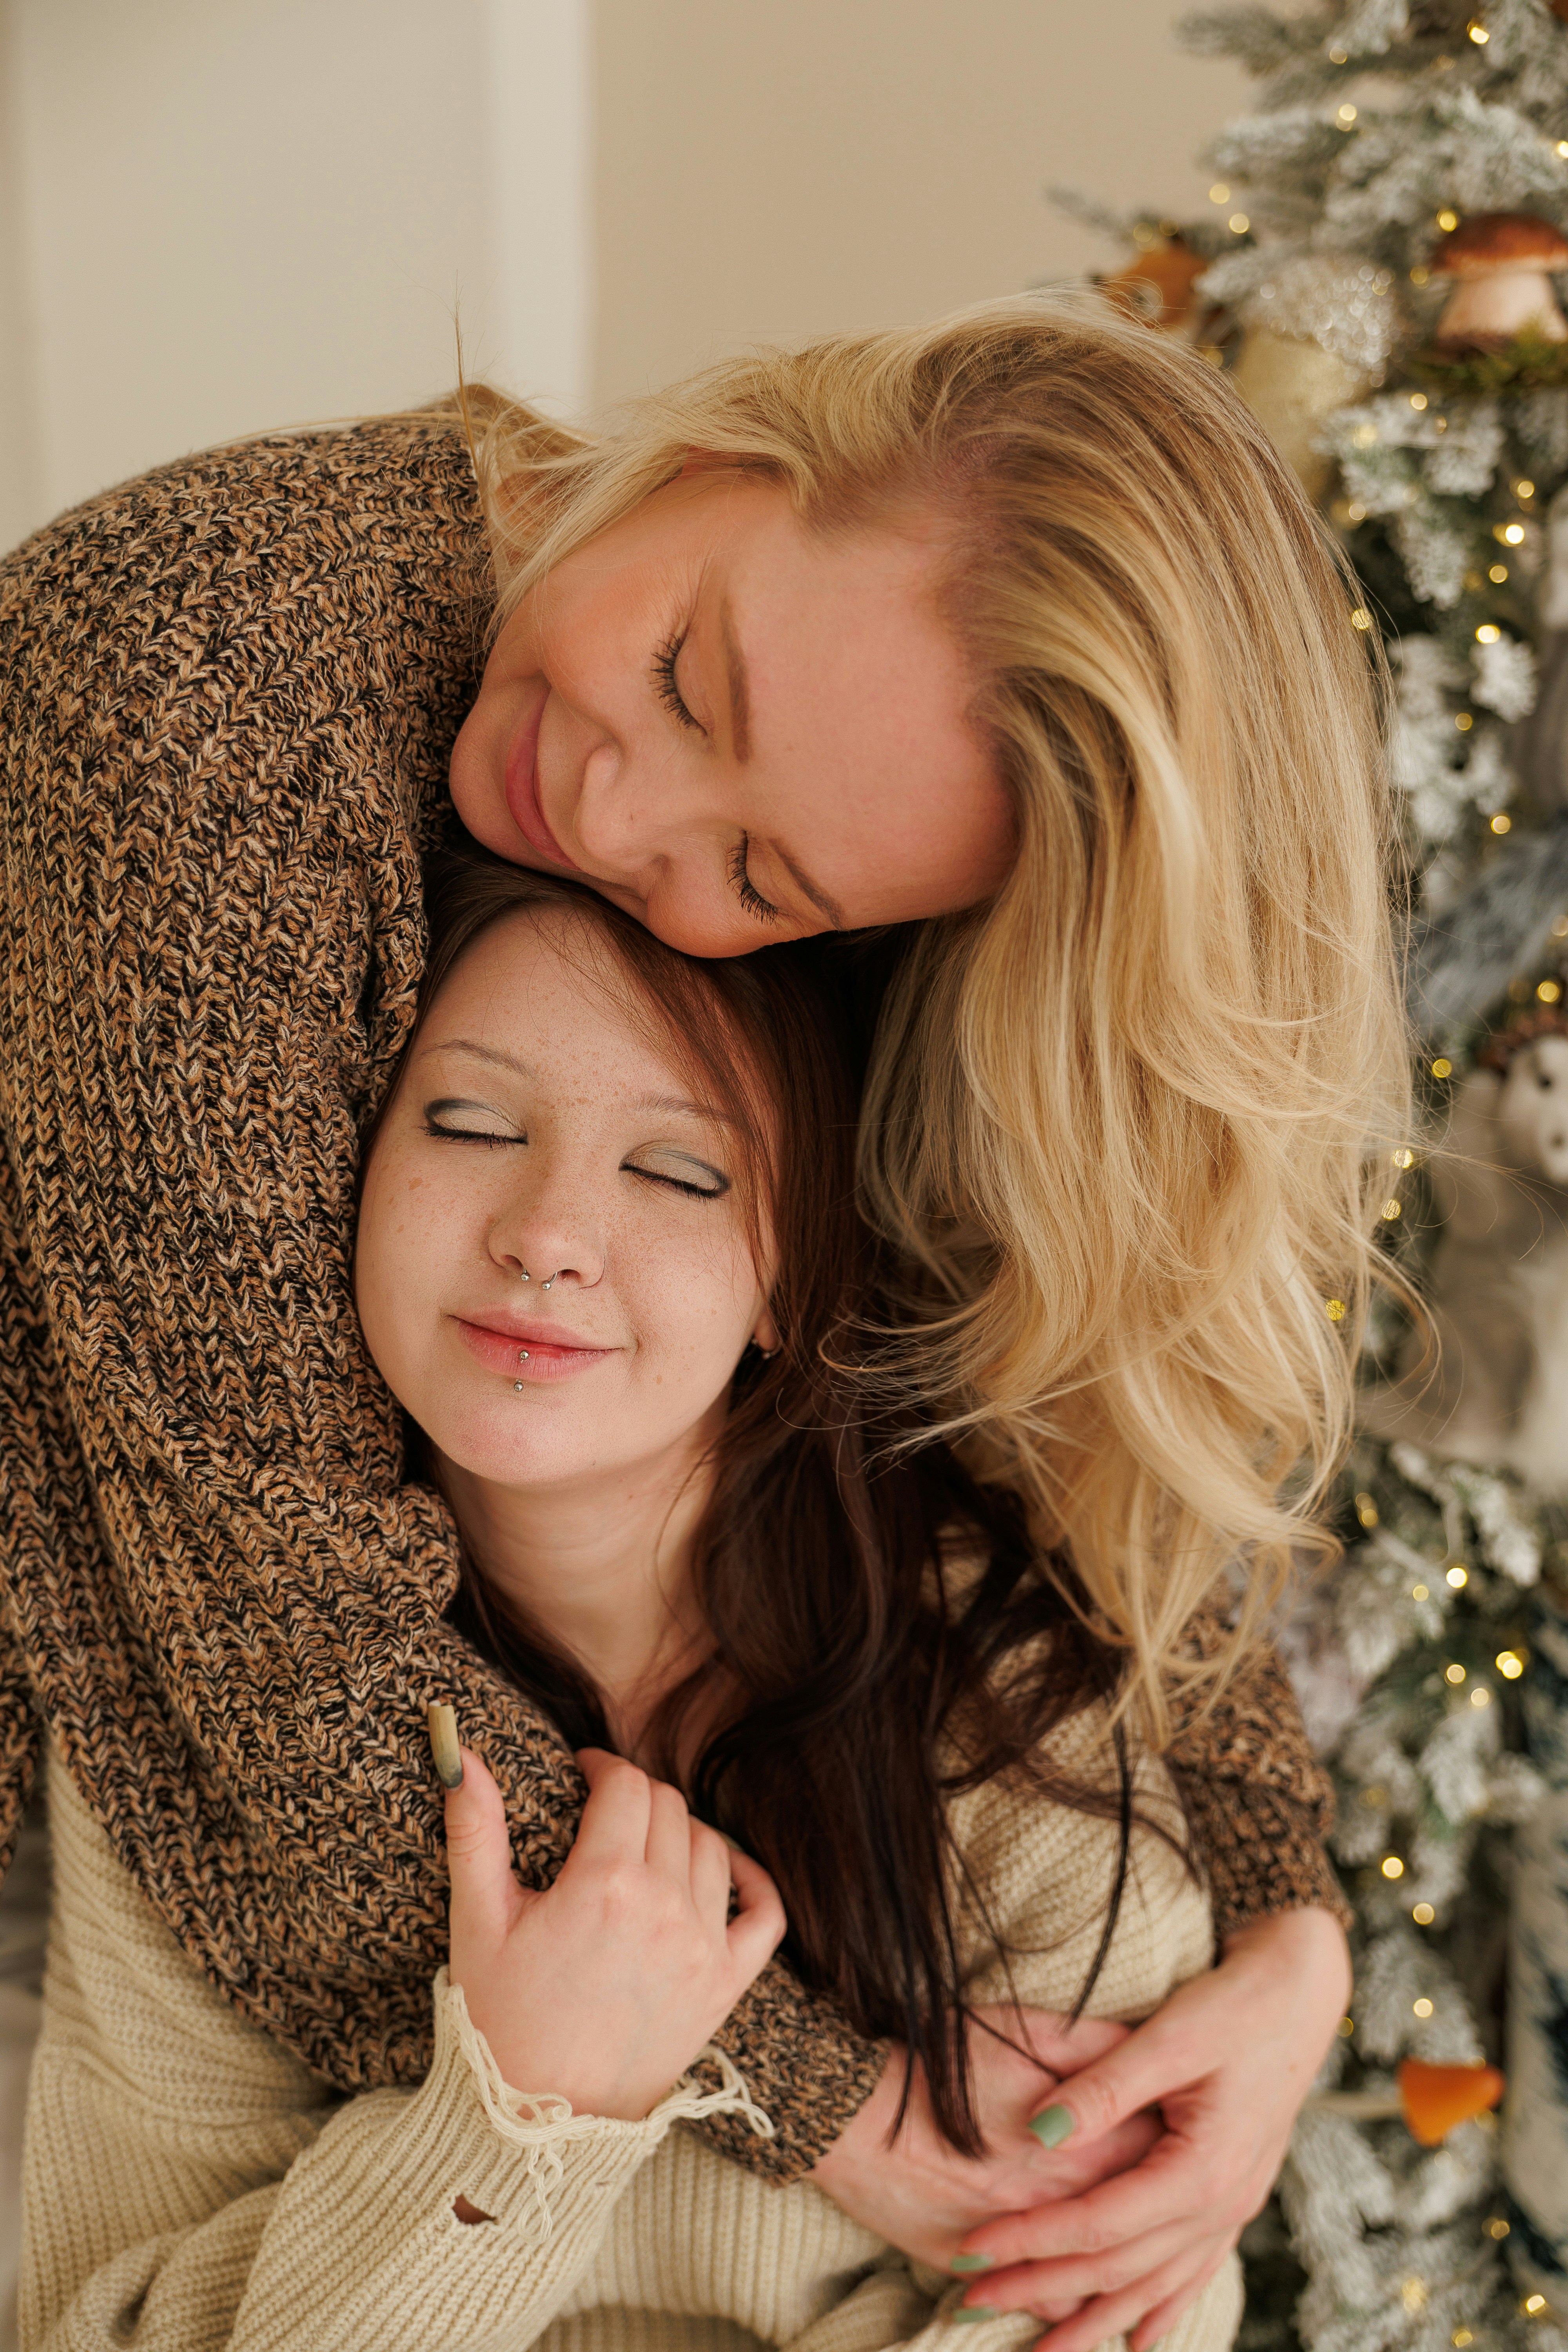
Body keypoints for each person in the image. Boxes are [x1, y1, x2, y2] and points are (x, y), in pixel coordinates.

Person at [0, 296, 1397, 2344]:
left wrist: (1286, 1924)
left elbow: (1076, 1387)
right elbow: (255, 1621)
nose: (614, 818)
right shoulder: (192, 667)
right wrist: (829, 2112)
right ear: (740, 449)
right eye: (682, 674)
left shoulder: (881, 807)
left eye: (766, 878)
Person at [22, 853, 1250, 2352]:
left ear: (788, 1279)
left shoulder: (998, 1693)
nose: (547, 1232)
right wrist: (523, 2119)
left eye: (677, 1172)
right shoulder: (186, 1692)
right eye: (472, 1124)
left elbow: (1125, 2307)